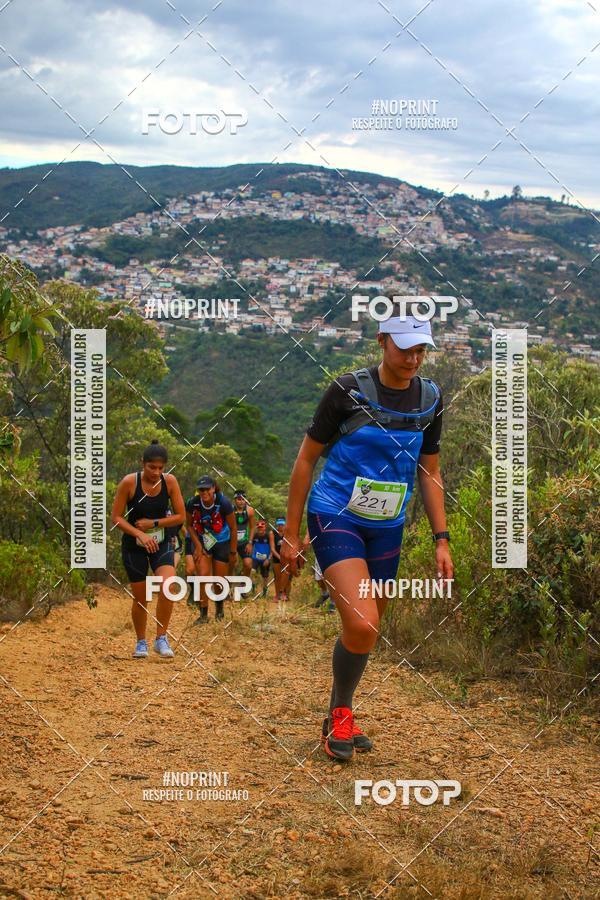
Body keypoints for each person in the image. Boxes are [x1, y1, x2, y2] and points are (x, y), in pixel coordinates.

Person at [281, 315, 454, 761]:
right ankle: (341, 714)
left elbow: (429, 472)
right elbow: (305, 461)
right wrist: (291, 531)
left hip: (387, 526)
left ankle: (340, 709)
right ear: (382, 341)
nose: (414, 359)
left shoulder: (431, 398)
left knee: (367, 627)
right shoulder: (347, 391)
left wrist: (442, 538)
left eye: (421, 351)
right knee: (362, 621)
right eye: (405, 348)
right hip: (335, 513)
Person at [111, 439, 185, 659]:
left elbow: (181, 516)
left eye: (161, 468)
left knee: (168, 586)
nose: (156, 472)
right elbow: (115, 517)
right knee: (141, 597)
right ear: (142, 463)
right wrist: (140, 534)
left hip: (161, 542)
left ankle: (161, 638)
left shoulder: (170, 482)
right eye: (152, 467)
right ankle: (141, 641)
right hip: (135, 545)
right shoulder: (129, 483)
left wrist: (153, 525)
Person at [186, 475, 236, 623]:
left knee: (218, 581)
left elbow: (233, 528)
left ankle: (219, 610)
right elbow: (189, 525)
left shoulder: (224, 503)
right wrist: (198, 545)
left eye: (207, 489)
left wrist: (233, 552)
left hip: (222, 542)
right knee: (202, 577)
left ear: (213, 488)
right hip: (203, 540)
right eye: (201, 489)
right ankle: (203, 615)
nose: (204, 492)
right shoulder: (193, 503)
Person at [232, 490, 255, 577]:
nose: (241, 501)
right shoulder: (230, 510)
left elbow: (252, 527)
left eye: (243, 499)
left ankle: (244, 582)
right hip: (232, 542)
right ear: (235, 500)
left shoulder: (250, 511)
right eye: (239, 499)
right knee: (233, 563)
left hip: (244, 542)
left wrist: (250, 543)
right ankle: (229, 584)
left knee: (248, 564)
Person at [270, 517, 290, 602]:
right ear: (276, 524)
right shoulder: (272, 533)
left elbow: (290, 547)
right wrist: (279, 558)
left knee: (285, 575)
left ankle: (283, 593)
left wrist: (285, 558)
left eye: (282, 524)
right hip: (276, 557)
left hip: (286, 557)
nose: (280, 526)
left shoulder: (288, 533)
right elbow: (272, 548)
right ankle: (277, 594)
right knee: (277, 577)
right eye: (279, 524)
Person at [251, 520, 272, 599]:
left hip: (265, 559)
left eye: (261, 528)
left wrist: (268, 559)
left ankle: (265, 591)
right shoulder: (255, 536)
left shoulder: (268, 536)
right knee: (252, 571)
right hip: (255, 558)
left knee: (265, 576)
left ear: (264, 528)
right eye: (259, 528)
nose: (260, 529)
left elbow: (272, 549)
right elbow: (250, 546)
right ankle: (253, 589)